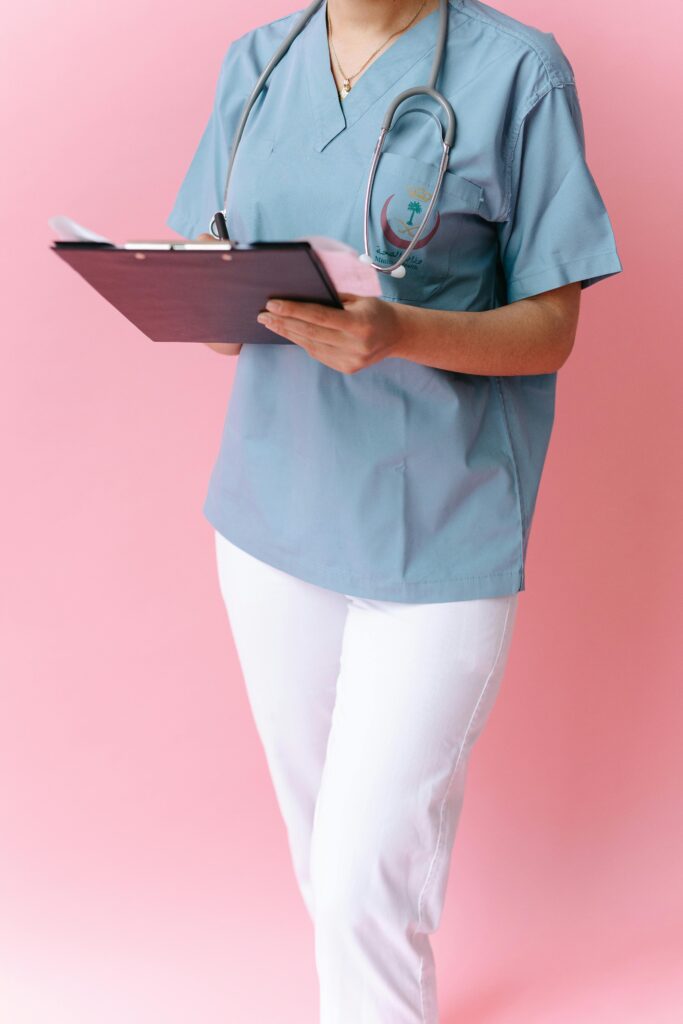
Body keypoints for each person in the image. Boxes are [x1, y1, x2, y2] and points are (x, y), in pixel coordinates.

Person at [166, 1, 623, 1020]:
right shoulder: (258, 59)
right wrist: (188, 293)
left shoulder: (517, 73)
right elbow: (219, 315)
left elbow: (550, 328)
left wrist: (396, 332)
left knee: (366, 866)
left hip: (438, 529)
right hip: (269, 520)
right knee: (325, 864)